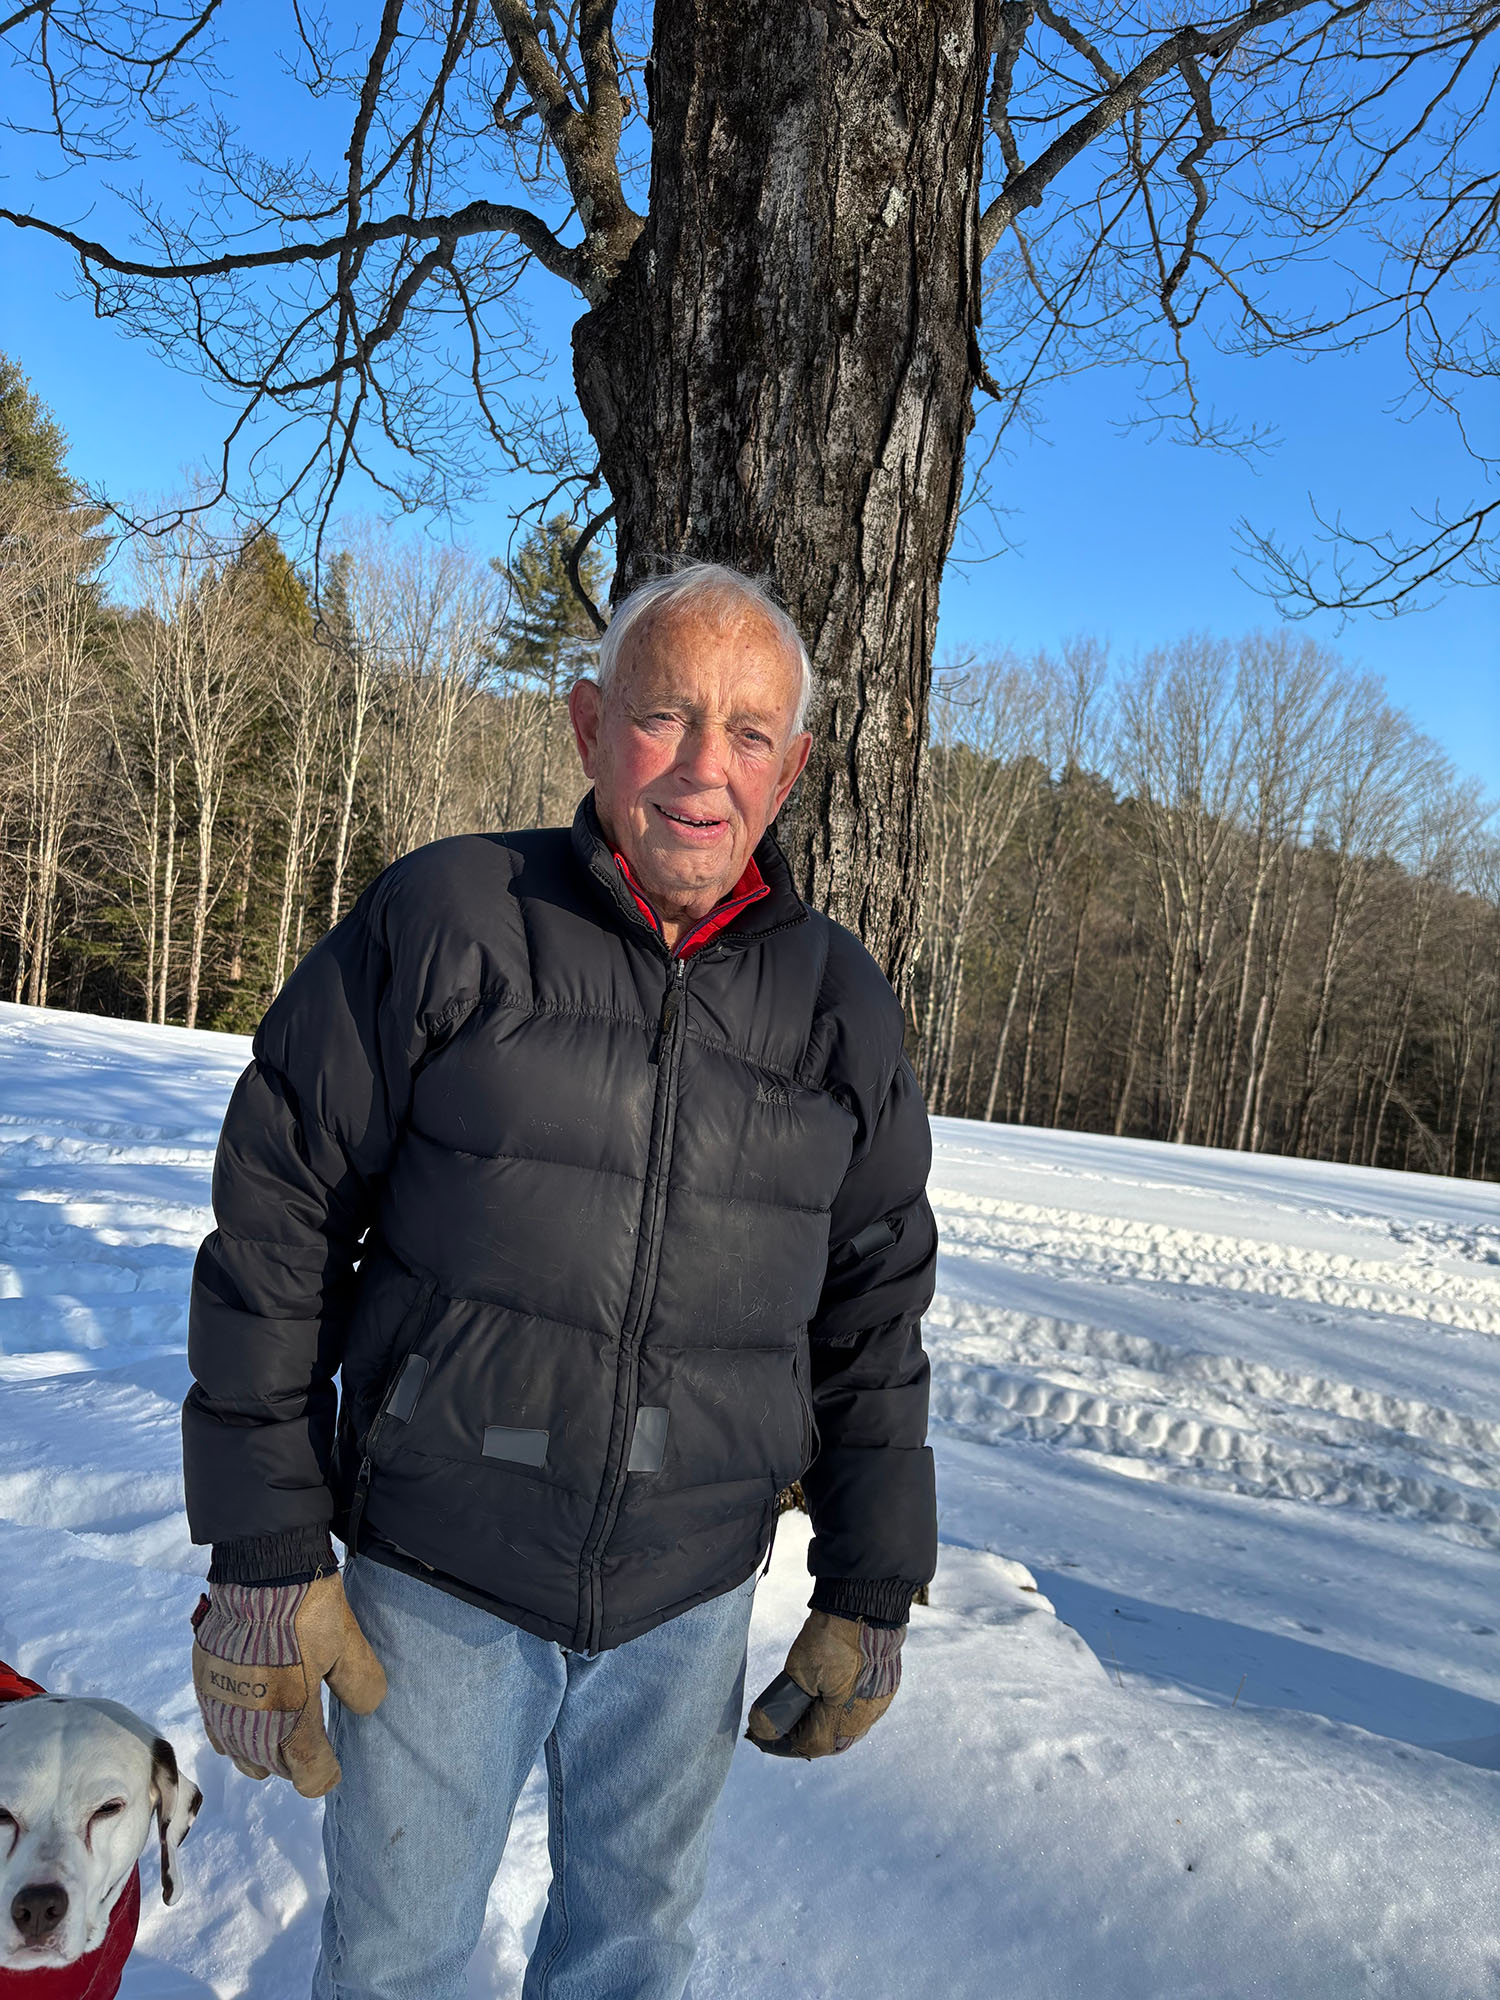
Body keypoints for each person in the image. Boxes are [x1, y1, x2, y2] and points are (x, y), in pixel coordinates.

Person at [182, 561, 938, 2000]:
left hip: (690, 1595)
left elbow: (874, 1309)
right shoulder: (455, 915)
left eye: (752, 732)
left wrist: (872, 1581)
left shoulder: (837, 1002)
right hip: (438, 1571)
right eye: (665, 717)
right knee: (397, 1957)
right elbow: (276, 1219)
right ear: (590, 725)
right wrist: (267, 1553)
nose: (705, 771)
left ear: (798, 766)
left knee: (634, 1960)